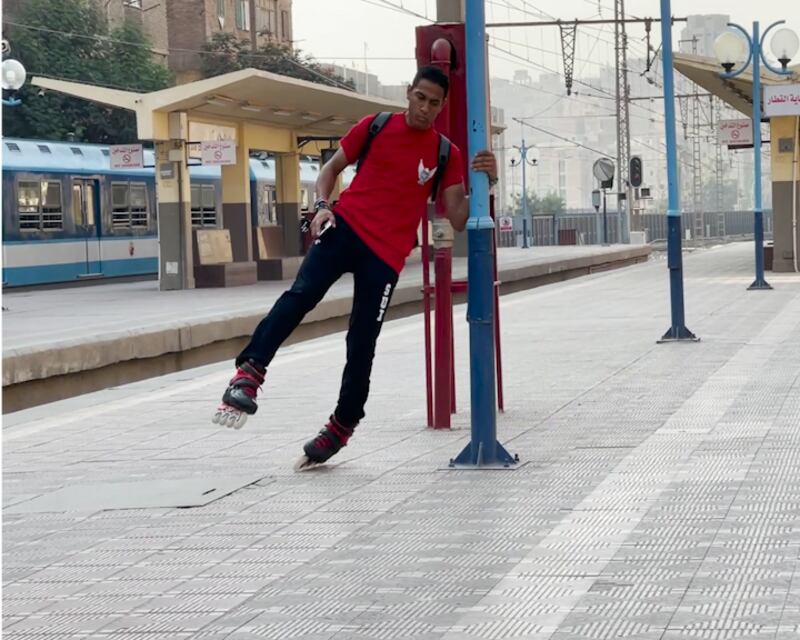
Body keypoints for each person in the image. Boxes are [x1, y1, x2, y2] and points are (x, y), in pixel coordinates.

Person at [212, 65, 498, 468]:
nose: (425, 108)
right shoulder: (375, 125)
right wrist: (322, 208)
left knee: (361, 342)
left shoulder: (444, 153)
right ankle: (248, 375)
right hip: (344, 228)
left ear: (442, 106)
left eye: (434, 103)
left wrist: (488, 184)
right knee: (301, 296)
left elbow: (456, 217)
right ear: (408, 93)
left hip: (384, 258)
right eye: (420, 98)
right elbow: (329, 172)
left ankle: (342, 425)